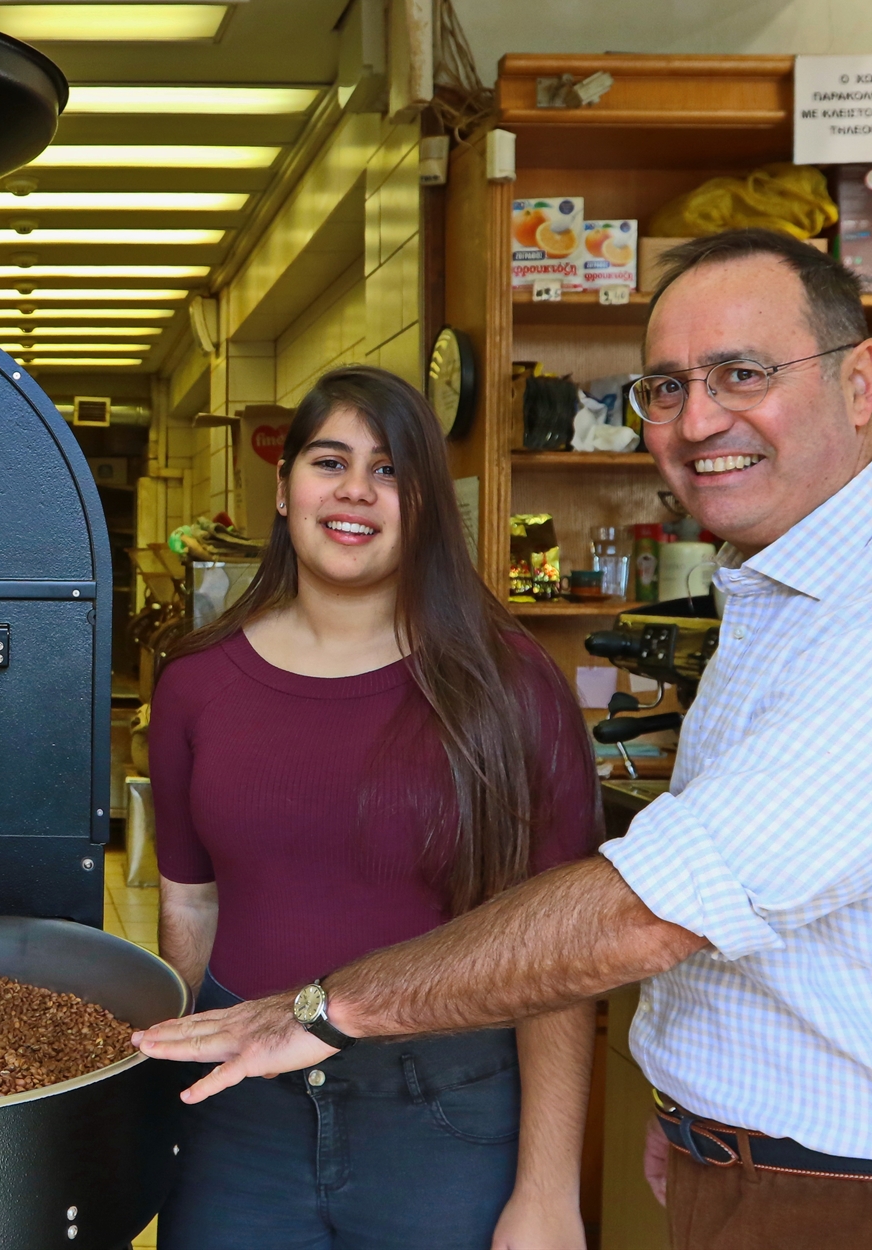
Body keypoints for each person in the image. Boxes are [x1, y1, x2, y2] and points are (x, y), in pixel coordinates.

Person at [136, 229, 872, 1249]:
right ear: (279, 484)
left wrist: (328, 1011)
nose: (698, 420)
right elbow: (186, 905)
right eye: (668, 388)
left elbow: (626, 922)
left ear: (861, 382)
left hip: (822, 1179)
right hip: (749, 1156)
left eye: (741, 373)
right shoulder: (780, 593)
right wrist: (696, 1115)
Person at [148, 366, 600, 1250]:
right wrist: (177, 1086)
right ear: (282, 490)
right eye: (330, 461)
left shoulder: (508, 688)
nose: (357, 490)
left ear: (428, 504)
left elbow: (560, 952)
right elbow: (188, 901)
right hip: (243, 1122)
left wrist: (548, 1193)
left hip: (446, 1118)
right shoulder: (197, 683)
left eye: (391, 470)